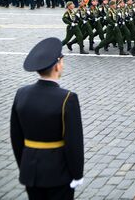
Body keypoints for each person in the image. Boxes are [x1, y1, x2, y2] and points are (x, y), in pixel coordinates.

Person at [10, 37, 84, 200]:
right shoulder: (67, 98)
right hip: (58, 173)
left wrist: (25, 165)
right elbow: (74, 143)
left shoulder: (21, 94)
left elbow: (16, 137)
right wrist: (77, 174)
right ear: (57, 65)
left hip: (31, 172)